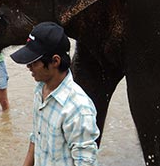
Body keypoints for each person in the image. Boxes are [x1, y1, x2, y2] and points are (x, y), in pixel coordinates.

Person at [11, 22, 100, 166]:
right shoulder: (40, 90)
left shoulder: (78, 109)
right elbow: (36, 138)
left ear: (55, 61)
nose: (28, 67)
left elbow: (86, 162)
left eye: (34, 62)